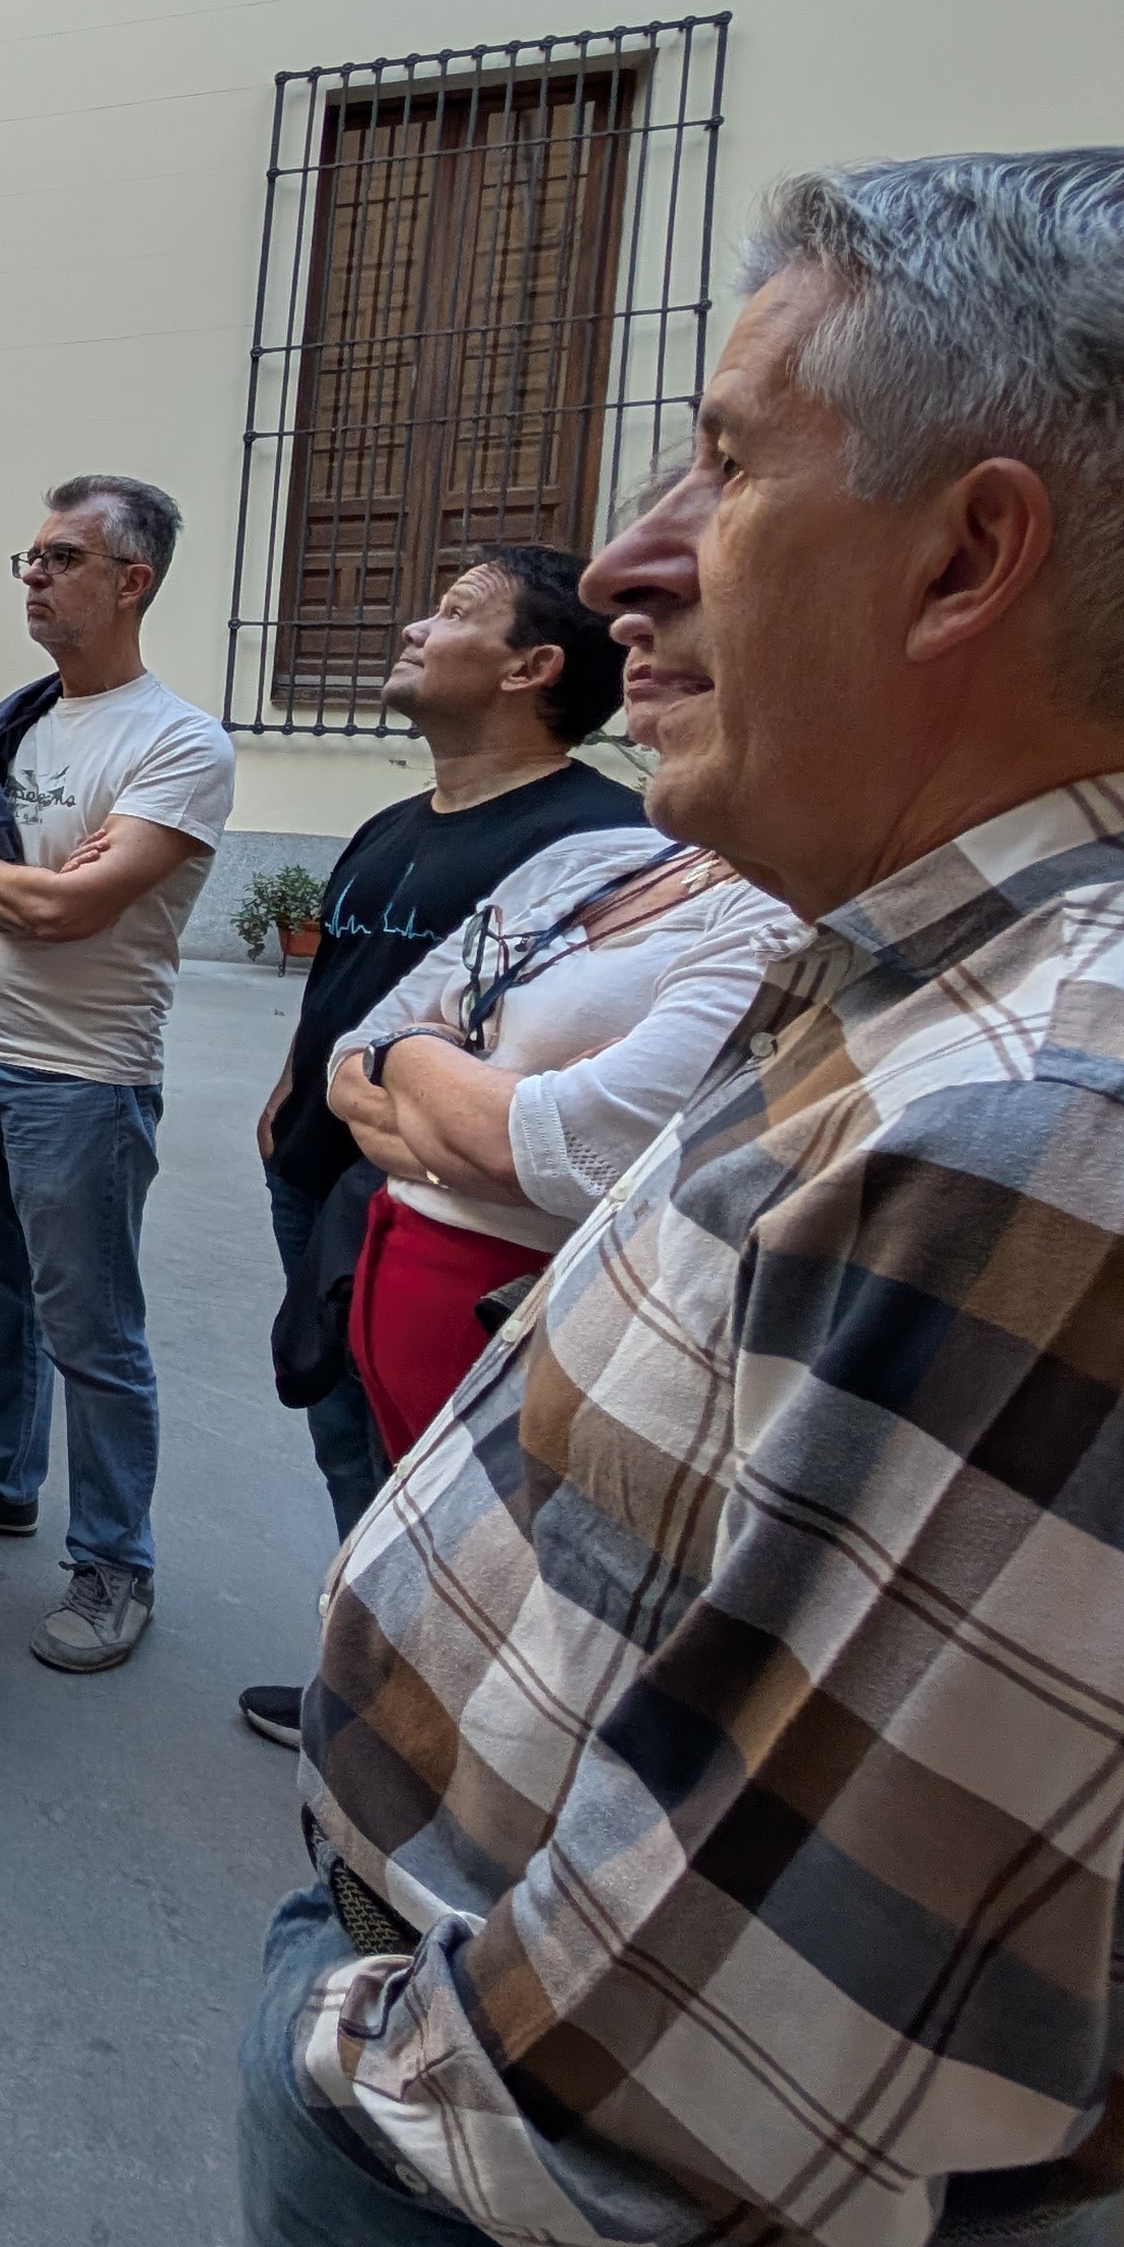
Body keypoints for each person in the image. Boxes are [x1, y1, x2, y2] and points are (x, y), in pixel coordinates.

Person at [248, 152, 1124, 2247]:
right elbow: (392, 1057)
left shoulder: (1050, 1124)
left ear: (969, 556)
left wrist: (339, 2076)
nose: (627, 562)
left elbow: (736, 2065)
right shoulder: (932, 965)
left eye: (728, 465)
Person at [226, 547, 641, 1748]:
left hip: (441, 1215)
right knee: (341, 1427)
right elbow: (352, 990)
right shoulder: (397, 820)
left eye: (455, 612)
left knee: (447, 1464)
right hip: (317, 1177)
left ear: (535, 668)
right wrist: (292, 1088)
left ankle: (436, 1714)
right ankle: (368, 1670)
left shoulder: (599, 843)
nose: (415, 625)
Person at [0, 475, 235, 1677]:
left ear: (132, 581)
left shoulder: (177, 742)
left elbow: (77, 910)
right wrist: (18, 891)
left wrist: (8, 887)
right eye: (30, 560)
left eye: (63, 559)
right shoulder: (10, 725)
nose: (34, 577)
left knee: (95, 1331)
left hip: (81, 1075)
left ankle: (113, 1560)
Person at [324, 816, 804, 1459]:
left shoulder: (788, 907)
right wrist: (488, 1118)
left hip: (543, 1312)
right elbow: (349, 1065)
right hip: (398, 1271)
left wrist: (411, 1053)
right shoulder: (594, 858)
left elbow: (566, 1147)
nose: (645, 711)